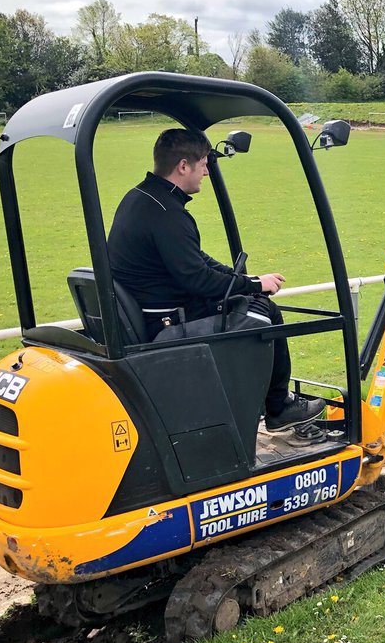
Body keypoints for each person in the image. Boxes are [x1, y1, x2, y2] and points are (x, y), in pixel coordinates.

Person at [107, 127, 323, 433]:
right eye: (204, 163)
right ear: (183, 166)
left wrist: (242, 279)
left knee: (247, 298)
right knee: (264, 312)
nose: (207, 171)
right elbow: (197, 279)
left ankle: (260, 403)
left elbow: (196, 260)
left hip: (152, 309)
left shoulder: (141, 198)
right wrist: (254, 287)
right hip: (165, 323)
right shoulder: (166, 213)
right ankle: (278, 408)